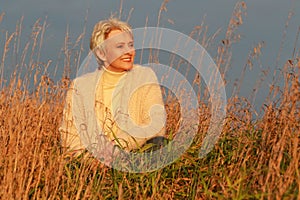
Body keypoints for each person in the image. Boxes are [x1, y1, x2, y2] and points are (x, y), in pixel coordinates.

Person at [59, 18, 166, 163]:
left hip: (134, 158)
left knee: (158, 143)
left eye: (131, 45)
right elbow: (70, 138)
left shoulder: (145, 76)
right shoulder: (80, 86)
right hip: (92, 164)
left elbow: (155, 125)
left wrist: (118, 147)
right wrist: (96, 158)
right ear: (101, 53)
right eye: (120, 46)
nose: (129, 52)